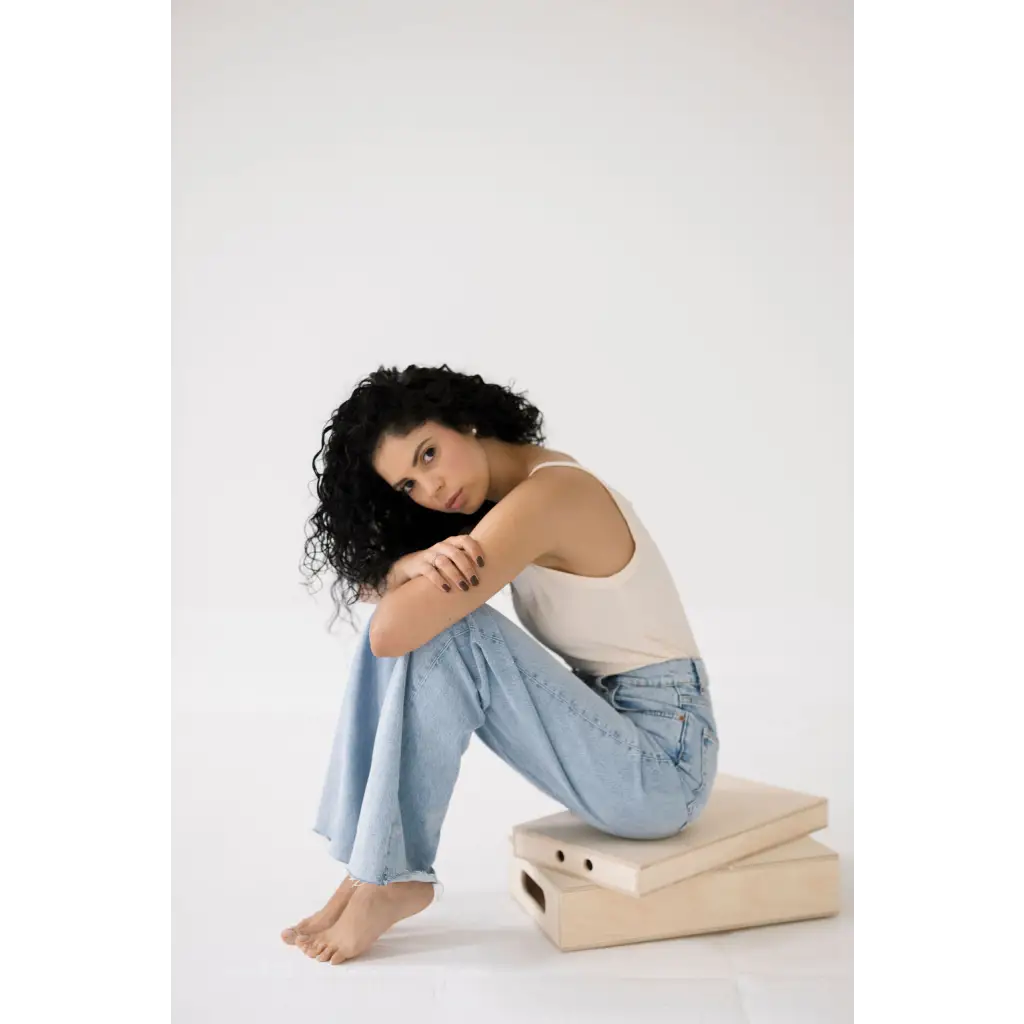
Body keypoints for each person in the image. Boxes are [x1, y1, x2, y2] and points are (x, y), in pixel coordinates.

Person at [281, 363, 719, 964]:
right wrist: (401, 569)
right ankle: (373, 870)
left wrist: (404, 574)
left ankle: (388, 872)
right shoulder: (518, 493)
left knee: (448, 629)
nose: (430, 489)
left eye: (429, 454)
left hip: (667, 767)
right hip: (621, 738)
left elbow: (389, 633)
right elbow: (390, 621)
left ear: (465, 420)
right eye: (408, 485)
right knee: (434, 621)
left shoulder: (550, 495)